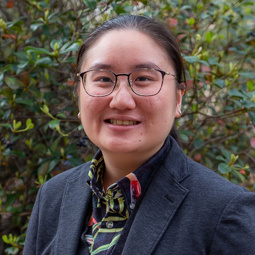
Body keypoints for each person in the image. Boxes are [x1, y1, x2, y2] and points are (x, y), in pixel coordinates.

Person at [23, 15, 255, 255]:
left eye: (143, 79)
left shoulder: (226, 212)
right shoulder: (53, 197)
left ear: (178, 99)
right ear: (79, 97)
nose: (121, 100)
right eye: (103, 79)